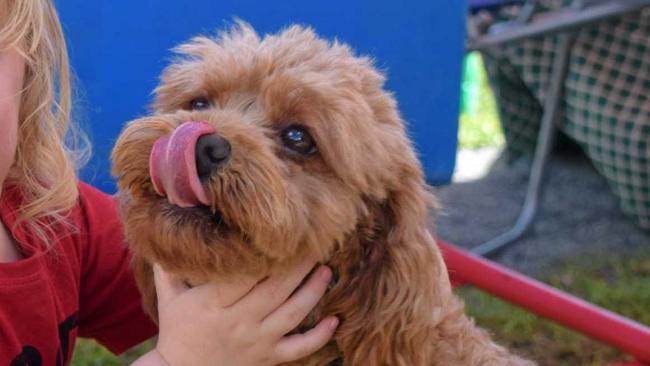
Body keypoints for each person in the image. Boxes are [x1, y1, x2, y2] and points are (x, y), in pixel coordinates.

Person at [0, 1, 337, 365]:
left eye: (296, 139)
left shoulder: (49, 216)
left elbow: (157, 272)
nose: (207, 138)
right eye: (200, 103)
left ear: (30, 70)